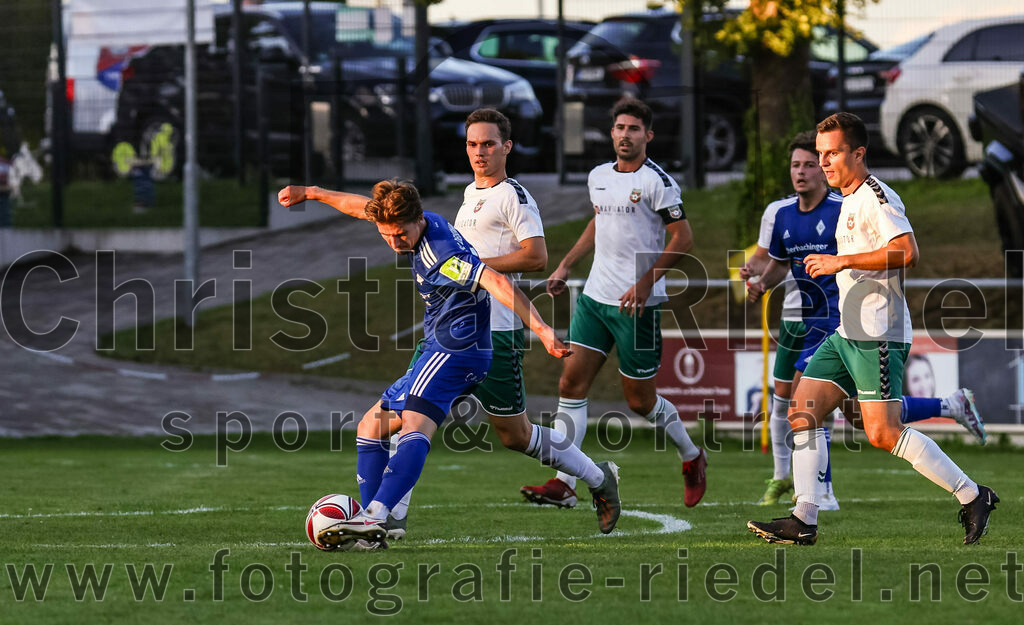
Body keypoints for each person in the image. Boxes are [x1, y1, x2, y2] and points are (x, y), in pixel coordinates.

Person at [277, 179, 622, 549]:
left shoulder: (441, 255)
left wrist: (542, 329)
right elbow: (361, 207)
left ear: (418, 220)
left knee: (415, 425)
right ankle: (598, 478)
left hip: (457, 349)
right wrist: (313, 193)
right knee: (372, 426)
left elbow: (495, 281)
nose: (395, 243)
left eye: (400, 234)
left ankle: (375, 516)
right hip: (442, 346)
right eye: (386, 235)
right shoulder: (414, 221)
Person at [747, 113, 998, 546]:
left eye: (832, 154)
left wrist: (841, 261)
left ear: (858, 153)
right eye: (820, 154)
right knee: (802, 409)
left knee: (882, 432)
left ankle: (973, 495)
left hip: (877, 333)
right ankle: (804, 518)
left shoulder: (876, 195)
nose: (823, 163)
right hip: (848, 332)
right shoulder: (847, 198)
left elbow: (906, 251)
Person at [520, 97, 708, 508]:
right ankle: (564, 483)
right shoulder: (599, 176)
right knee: (571, 384)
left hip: (637, 307)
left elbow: (685, 238)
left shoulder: (659, 182)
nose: (625, 135)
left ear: (648, 135)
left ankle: (692, 455)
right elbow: (598, 221)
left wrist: (645, 282)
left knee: (640, 401)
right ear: (611, 133)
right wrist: (566, 264)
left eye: (634, 129)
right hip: (595, 299)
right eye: (620, 128)